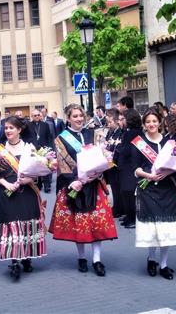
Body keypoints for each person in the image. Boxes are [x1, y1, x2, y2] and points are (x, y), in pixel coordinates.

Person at [49, 104, 117, 277]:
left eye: (81, 116)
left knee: (97, 223)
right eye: (75, 116)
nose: (79, 119)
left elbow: (104, 157)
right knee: (80, 224)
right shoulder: (61, 139)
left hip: (95, 184)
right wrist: (74, 181)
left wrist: (99, 173)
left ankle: (97, 259)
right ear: (68, 119)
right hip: (76, 185)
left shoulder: (93, 134)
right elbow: (63, 165)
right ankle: (81, 258)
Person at [131, 109, 176, 280]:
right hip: (148, 188)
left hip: (168, 189)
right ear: (144, 124)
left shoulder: (170, 142)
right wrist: (148, 175)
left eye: (154, 121)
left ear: (160, 123)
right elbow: (135, 168)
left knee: (167, 228)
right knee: (153, 228)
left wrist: (168, 173)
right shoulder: (138, 143)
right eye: (148, 122)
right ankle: (152, 259)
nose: (151, 124)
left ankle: (164, 264)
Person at [0, 116, 47, 280]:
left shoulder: (30, 148)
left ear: (19, 130)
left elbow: (40, 170)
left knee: (27, 223)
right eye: (6, 128)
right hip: (8, 192)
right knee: (12, 224)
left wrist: (31, 179)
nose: (7, 130)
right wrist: (5, 184)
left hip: (28, 191)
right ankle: (15, 260)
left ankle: (27, 257)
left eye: (11, 128)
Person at [117, 108, 143, 229]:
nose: (121, 121)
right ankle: (129, 216)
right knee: (125, 191)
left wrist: (118, 148)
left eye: (123, 119)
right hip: (127, 165)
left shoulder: (133, 132)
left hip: (130, 165)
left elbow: (127, 149)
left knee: (129, 192)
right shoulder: (129, 131)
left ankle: (133, 218)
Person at [28, 109, 54, 193]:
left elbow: (49, 137)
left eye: (38, 115)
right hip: (34, 149)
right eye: (34, 115)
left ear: (40, 115)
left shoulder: (45, 125)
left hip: (44, 149)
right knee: (36, 168)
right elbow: (27, 138)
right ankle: (38, 185)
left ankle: (47, 185)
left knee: (45, 167)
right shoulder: (28, 125)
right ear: (32, 116)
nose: (37, 117)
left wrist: (50, 148)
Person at [104, 108, 123, 217]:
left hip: (115, 162)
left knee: (116, 186)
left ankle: (118, 209)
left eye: (110, 122)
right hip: (109, 161)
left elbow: (117, 147)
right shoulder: (110, 132)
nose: (109, 124)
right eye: (108, 122)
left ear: (116, 120)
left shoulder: (120, 132)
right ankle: (116, 207)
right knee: (112, 185)